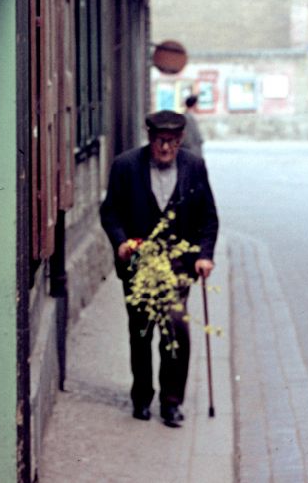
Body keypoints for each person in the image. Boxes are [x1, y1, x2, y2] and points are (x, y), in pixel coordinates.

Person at [99, 109, 219, 428]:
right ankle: (141, 396)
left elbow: (208, 217)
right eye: (159, 141)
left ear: (181, 141)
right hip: (138, 265)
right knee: (141, 331)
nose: (165, 148)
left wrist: (204, 255)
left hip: (178, 266)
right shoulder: (126, 166)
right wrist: (121, 242)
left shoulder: (194, 166)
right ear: (149, 138)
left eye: (172, 142)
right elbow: (110, 212)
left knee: (175, 327)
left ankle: (171, 402)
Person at [181, 94, 204, 158]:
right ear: (194, 104)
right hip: (191, 151)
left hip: (193, 149)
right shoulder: (187, 117)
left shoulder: (189, 116)